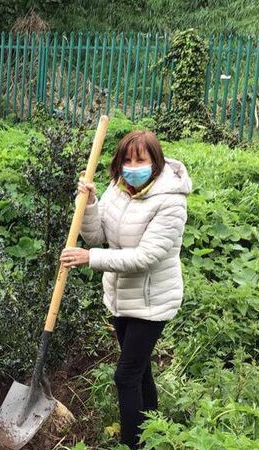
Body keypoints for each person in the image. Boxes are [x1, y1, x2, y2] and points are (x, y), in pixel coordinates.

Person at [60, 130, 191, 449]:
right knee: (141, 370)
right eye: (127, 159)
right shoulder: (118, 188)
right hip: (121, 298)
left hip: (152, 301)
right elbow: (96, 235)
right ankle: (153, 433)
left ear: (155, 163)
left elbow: (147, 257)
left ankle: (133, 444)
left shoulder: (171, 201)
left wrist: (90, 259)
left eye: (140, 159)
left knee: (126, 375)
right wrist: (90, 204)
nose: (132, 166)